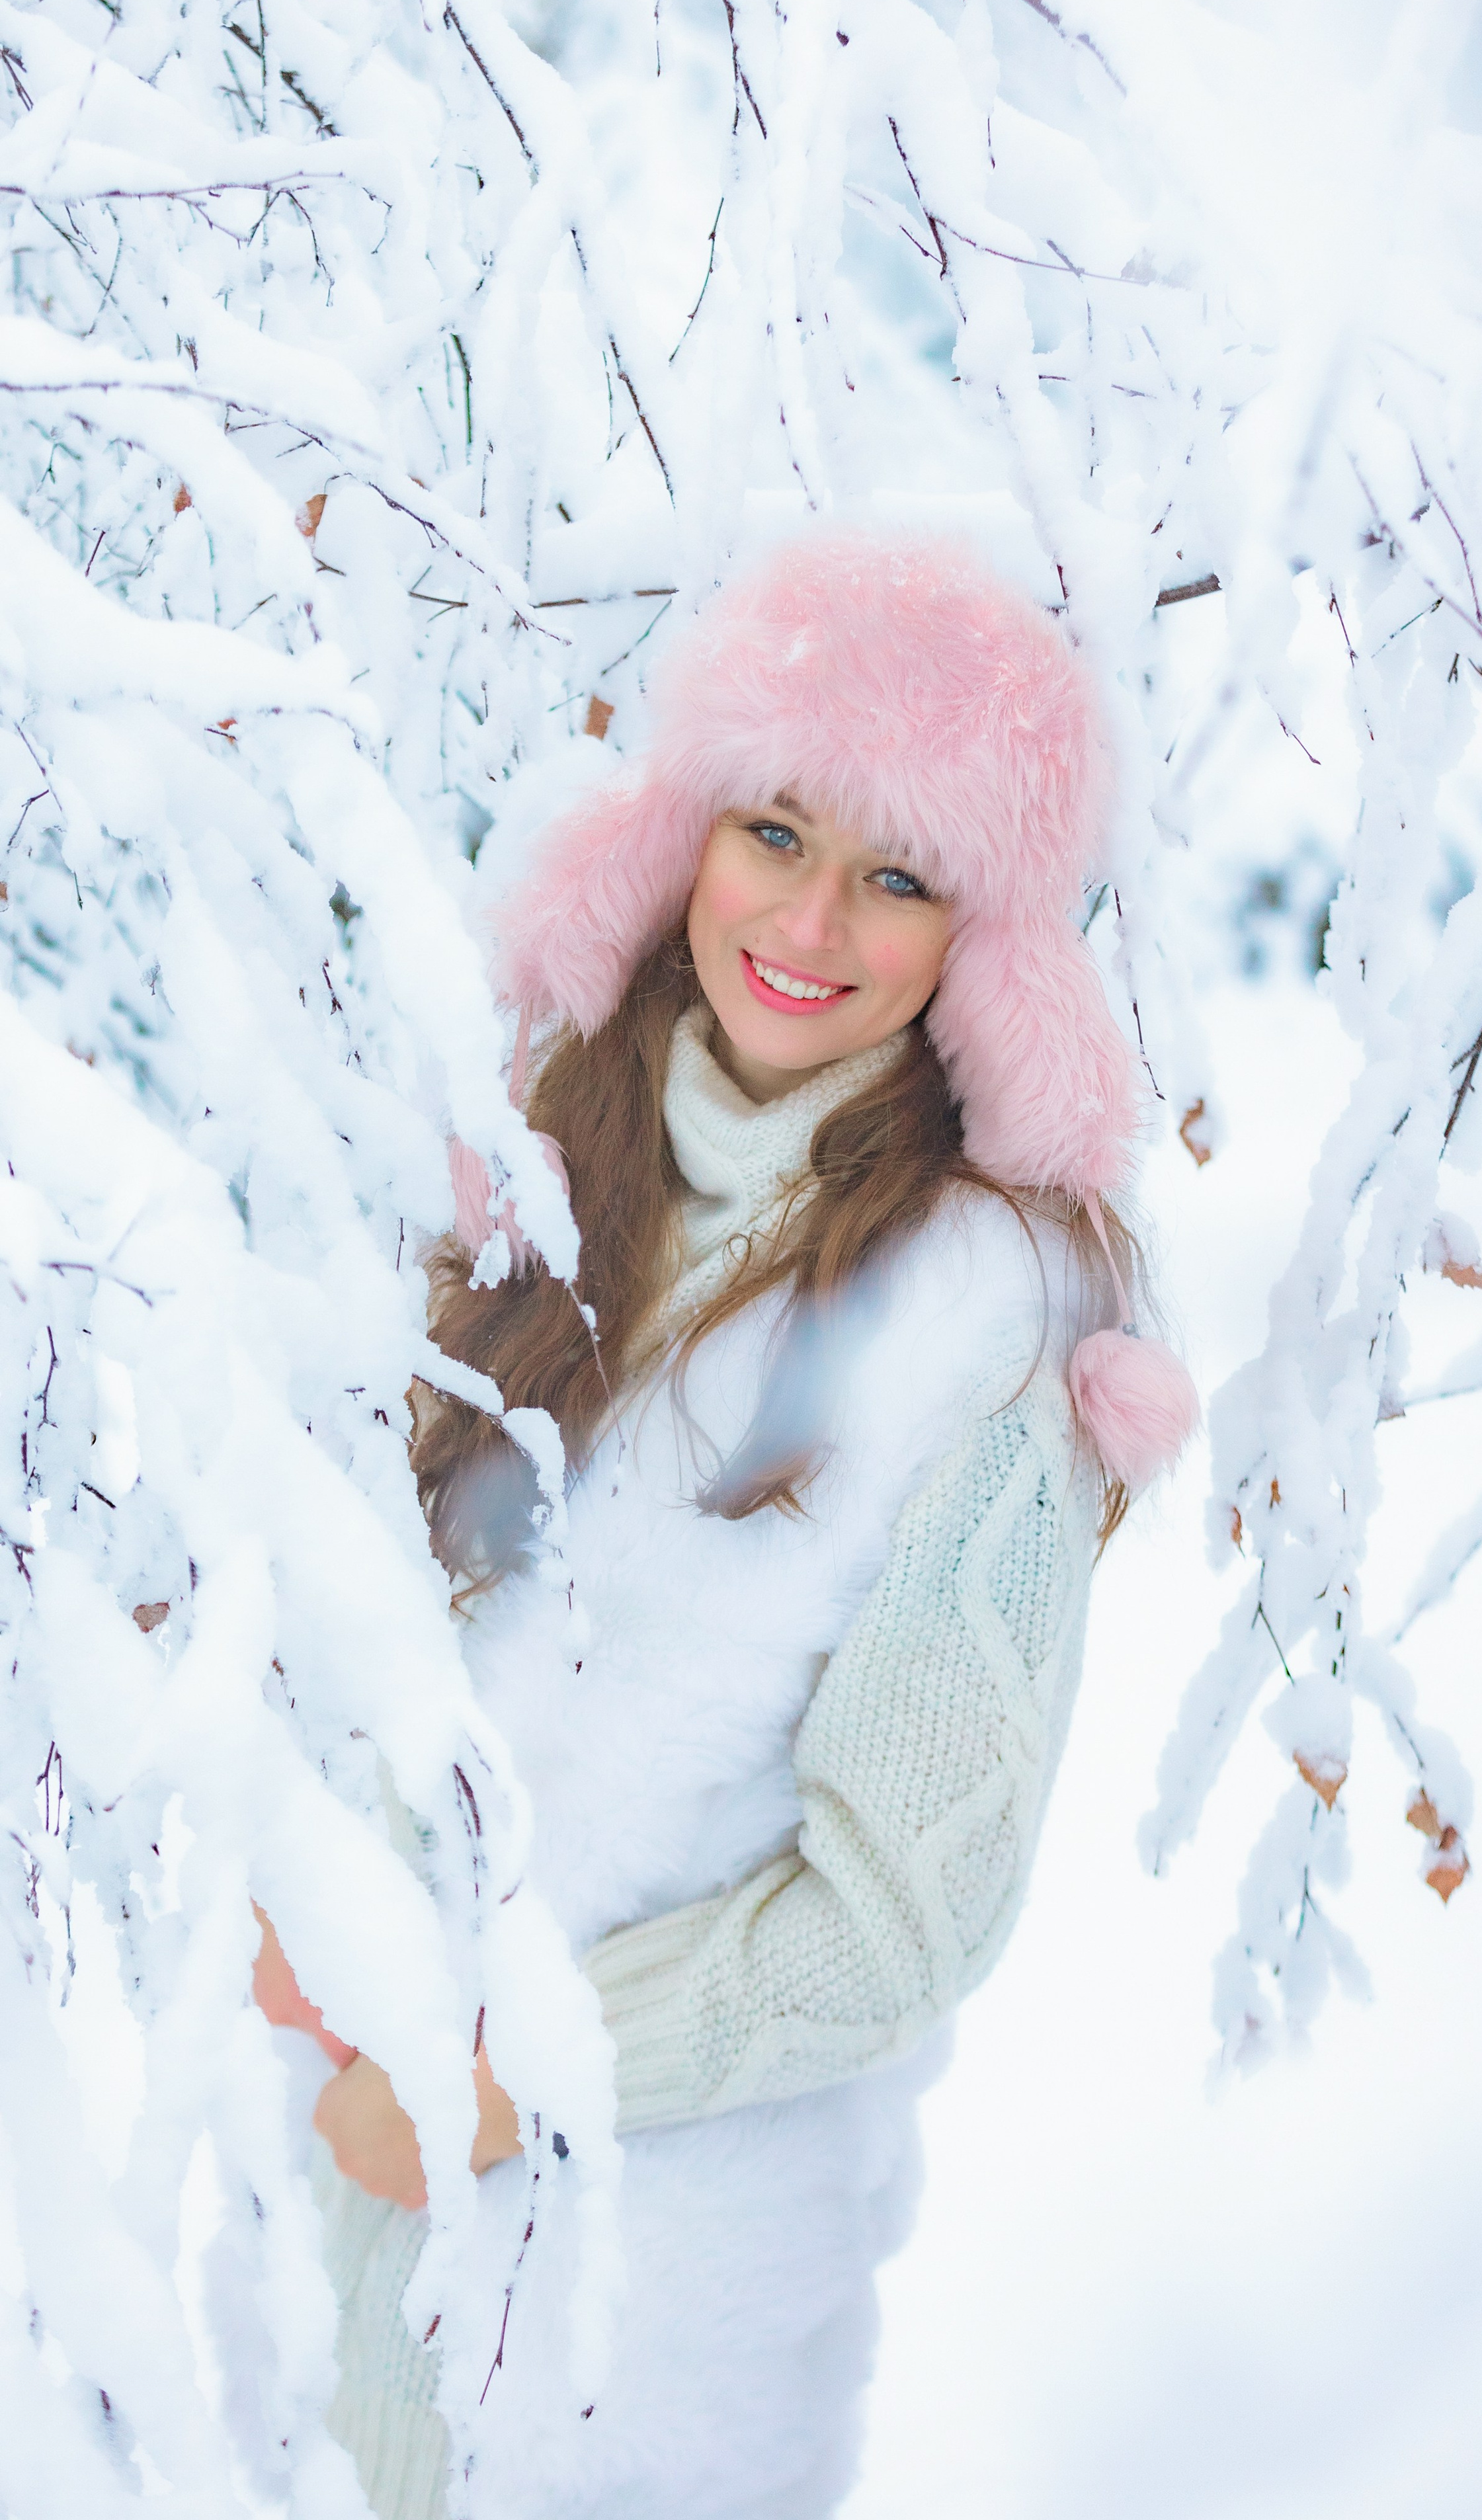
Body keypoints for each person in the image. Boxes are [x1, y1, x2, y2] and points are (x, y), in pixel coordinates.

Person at [261, 527, 1196, 2517]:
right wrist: (305, 1900)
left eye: (901, 876)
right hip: (331, 2204)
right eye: (777, 831)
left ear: (985, 945)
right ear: (684, 835)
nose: (812, 920)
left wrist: (497, 2084)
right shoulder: (552, 1158)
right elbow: (382, 1594)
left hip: (628, 2311)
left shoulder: (983, 1320)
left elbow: (898, 1924)